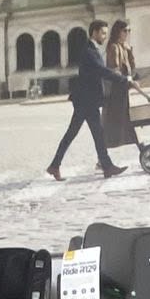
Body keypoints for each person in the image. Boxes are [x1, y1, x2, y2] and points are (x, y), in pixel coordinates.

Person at [47, 19, 128, 181]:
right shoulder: (88, 51)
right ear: (95, 32)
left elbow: (101, 71)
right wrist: (122, 79)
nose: (105, 36)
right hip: (85, 100)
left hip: (87, 100)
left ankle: (106, 167)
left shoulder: (92, 49)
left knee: (94, 133)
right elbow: (101, 70)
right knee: (81, 133)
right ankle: (105, 167)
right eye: (103, 33)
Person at [99, 18, 138, 162]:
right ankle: (102, 159)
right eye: (125, 30)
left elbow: (131, 69)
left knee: (123, 122)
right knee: (113, 124)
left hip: (121, 91)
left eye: (129, 31)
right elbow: (114, 70)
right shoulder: (114, 47)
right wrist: (127, 80)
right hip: (115, 92)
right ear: (118, 32)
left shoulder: (124, 47)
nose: (127, 33)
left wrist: (130, 52)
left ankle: (138, 145)